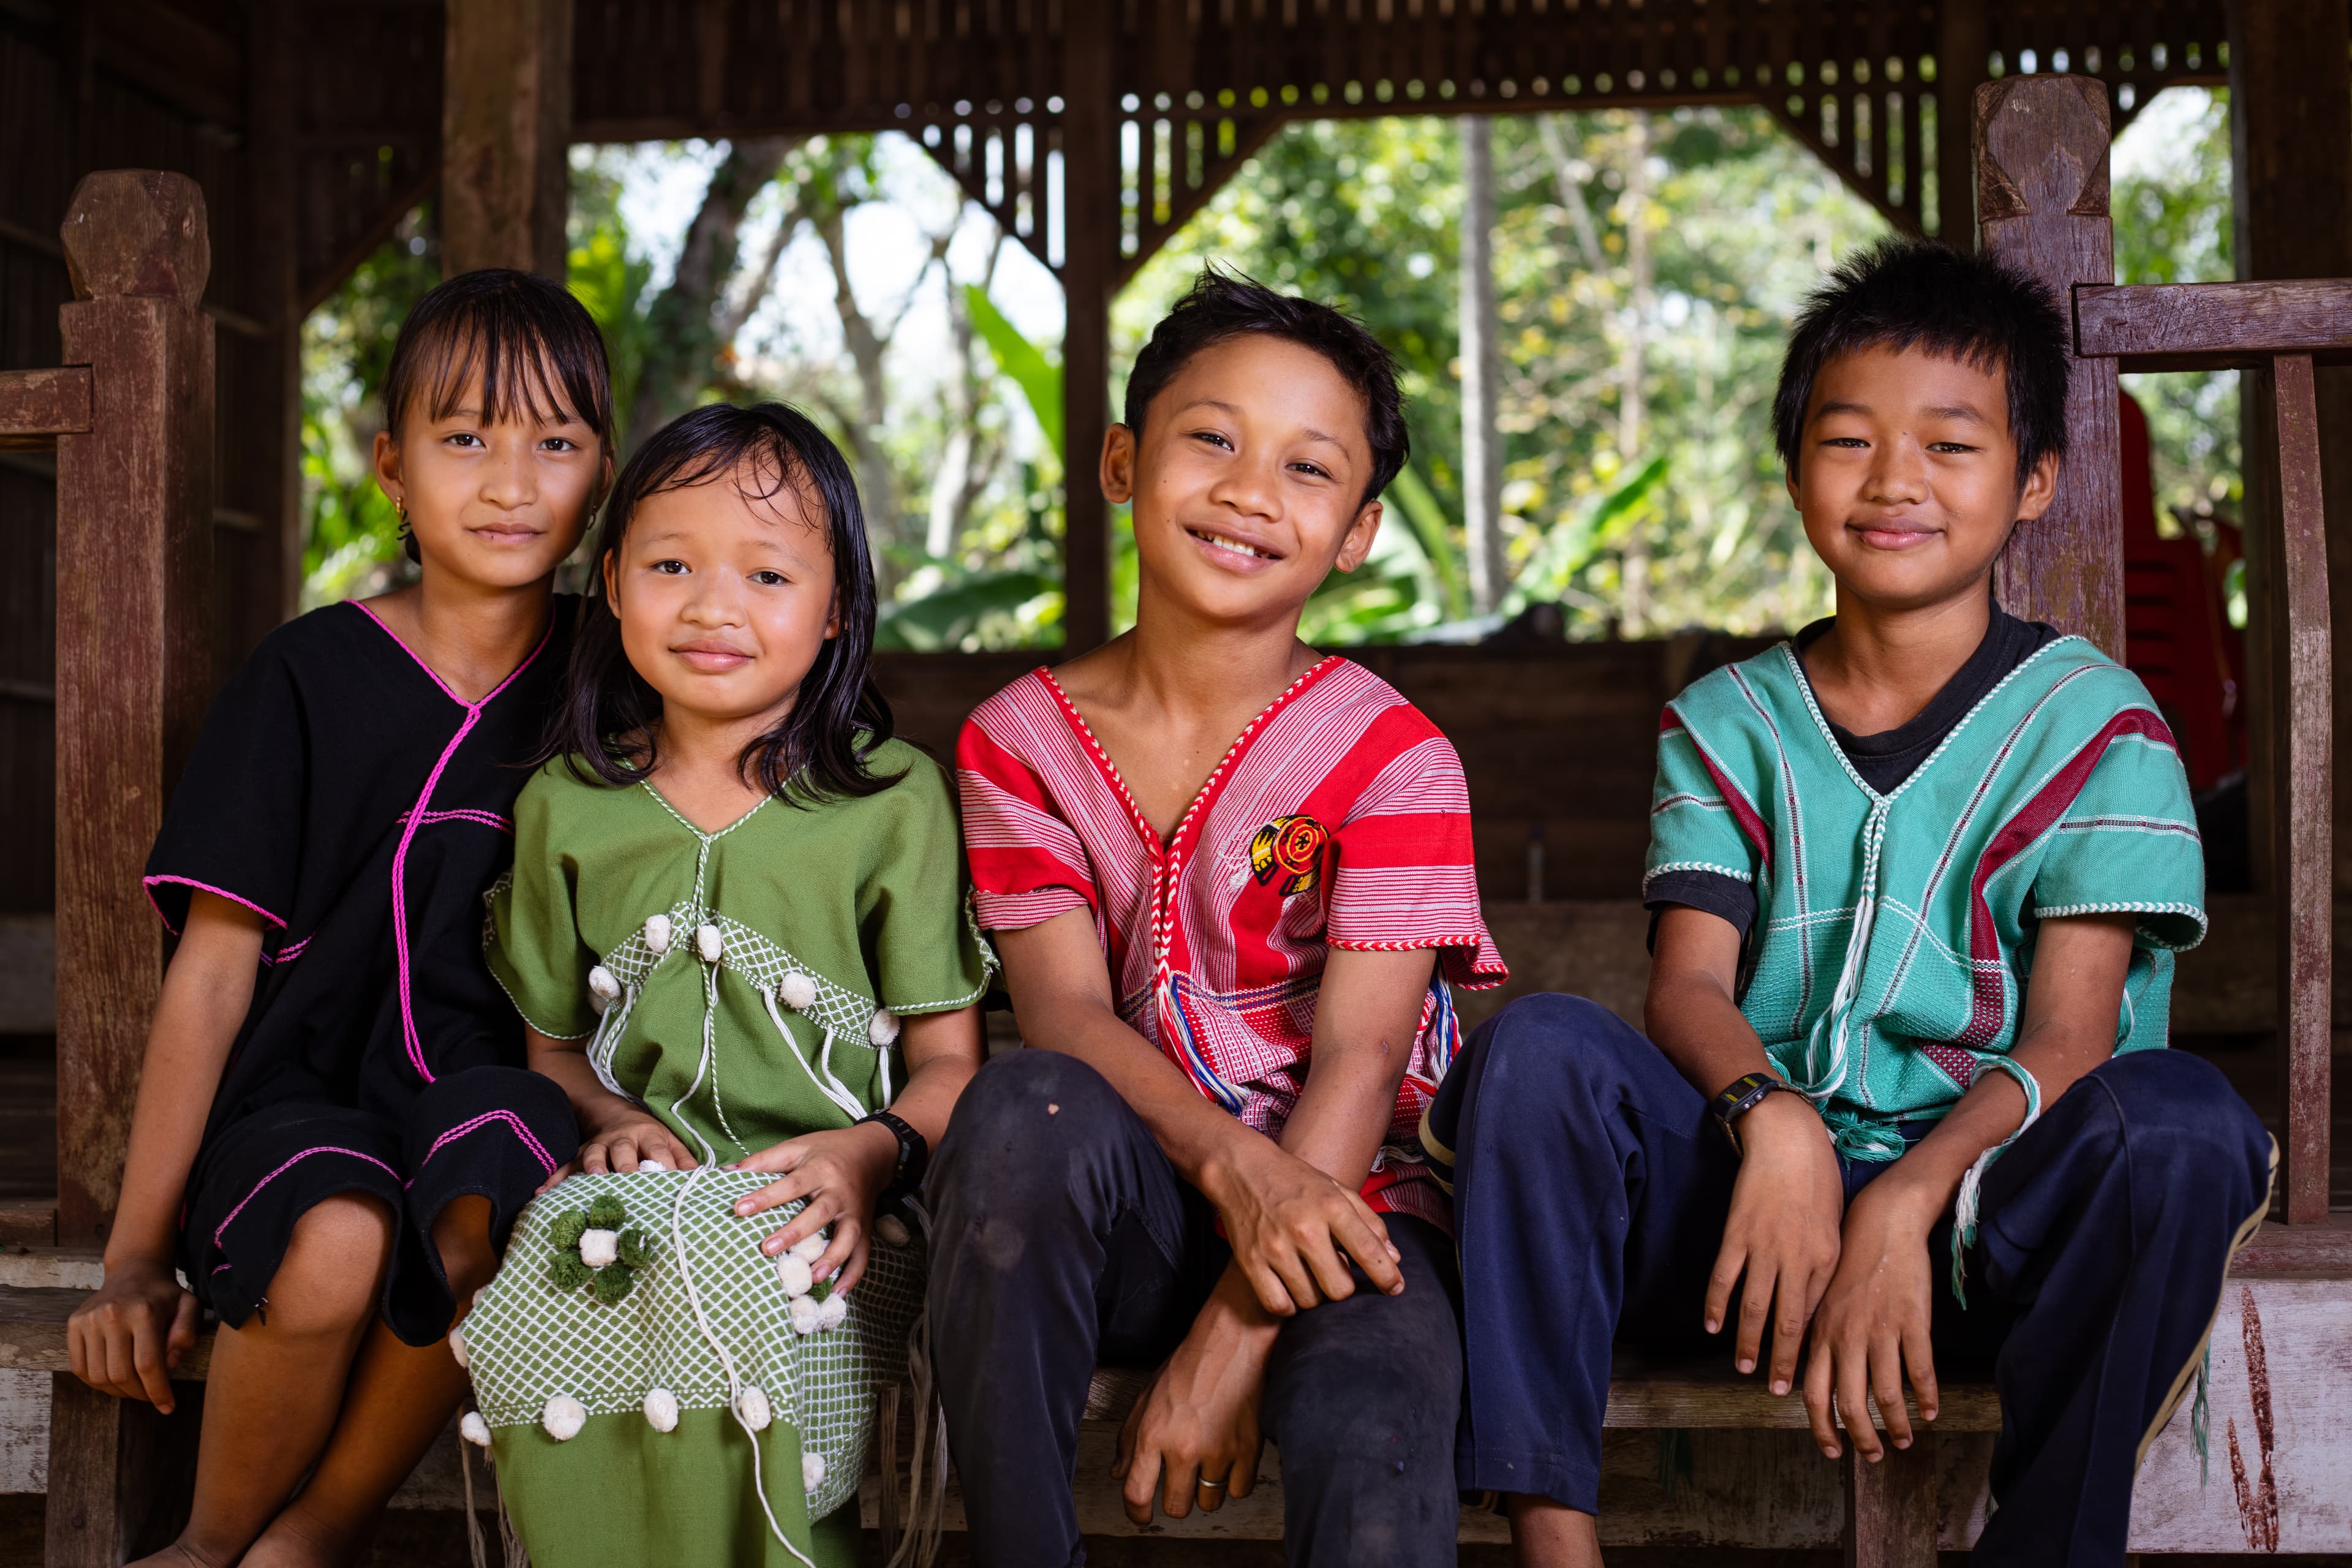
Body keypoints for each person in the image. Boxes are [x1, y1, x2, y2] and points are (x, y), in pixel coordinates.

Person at [1431, 238, 2277, 1566]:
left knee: (2180, 1124)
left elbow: (2070, 1035)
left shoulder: (2103, 727)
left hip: (1992, 1230)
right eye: (1849, 441)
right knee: (1536, 1048)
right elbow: (1688, 987)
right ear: (1794, 472)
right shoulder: (1726, 722)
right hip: (1749, 1234)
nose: (1894, 481)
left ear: (2034, 480)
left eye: (1950, 445)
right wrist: (1779, 1128)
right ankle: (1555, 1536)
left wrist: (1904, 1199)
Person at [932, 268, 1506, 1568]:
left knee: (1377, 1408)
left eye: (1310, 469)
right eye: (1213, 438)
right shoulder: (1015, 742)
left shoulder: (1399, 757)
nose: (1251, 491)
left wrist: (1231, 1334)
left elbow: (1362, 1058)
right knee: (1018, 1108)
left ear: (1357, 530)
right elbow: (1068, 1012)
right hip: (1132, 1201)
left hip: (1355, 1202)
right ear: (1124, 461)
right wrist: (1232, 1178)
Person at [64, 270, 614, 1567]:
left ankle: (316, 1535)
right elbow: (211, 974)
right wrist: (134, 1256)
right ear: (390, 465)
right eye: (465, 435)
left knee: (504, 1178)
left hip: (494, 1090)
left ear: (602, 473)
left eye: (557, 441)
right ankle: (207, 1541)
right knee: (337, 1238)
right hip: (299, 1097)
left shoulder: (613, 681)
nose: (509, 479)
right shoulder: (306, 675)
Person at [455, 402, 993, 1567]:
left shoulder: (893, 801)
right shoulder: (566, 805)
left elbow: (954, 1064)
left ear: (838, 601)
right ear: (608, 581)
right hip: (630, 1211)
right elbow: (550, 1050)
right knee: (549, 1299)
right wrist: (608, 1119)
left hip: (835, 1218)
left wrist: (867, 1155)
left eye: (767, 573)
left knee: (744, 1293)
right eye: (670, 566)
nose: (713, 606)